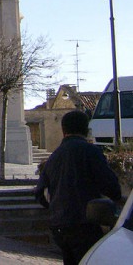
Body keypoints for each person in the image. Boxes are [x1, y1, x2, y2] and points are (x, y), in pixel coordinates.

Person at [35, 110, 121, 265]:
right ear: (86, 129)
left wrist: (56, 207)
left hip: (59, 226)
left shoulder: (54, 156)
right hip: (85, 225)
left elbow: (39, 193)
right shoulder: (91, 151)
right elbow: (112, 188)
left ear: (63, 130)